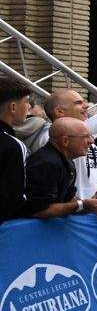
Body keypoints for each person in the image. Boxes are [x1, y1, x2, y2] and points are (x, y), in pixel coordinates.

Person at [26, 87, 97, 201]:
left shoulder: (87, 141)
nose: (86, 106)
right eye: (78, 103)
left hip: (92, 209)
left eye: (84, 102)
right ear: (59, 111)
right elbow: (94, 124)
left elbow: (92, 175)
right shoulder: (49, 136)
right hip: (72, 211)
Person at [24, 118, 97, 219]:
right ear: (65, 140)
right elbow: (40, 210)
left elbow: (68, 200)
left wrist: (92, 202)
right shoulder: (46, 163)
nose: (91, 141)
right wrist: (83, 205)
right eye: (85, 136)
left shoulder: (66, 161)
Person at [0, 81, 34, 223]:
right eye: (26, 102)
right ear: (13, 107)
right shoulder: (13, 145)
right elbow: (15, 197)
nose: (29, 107)